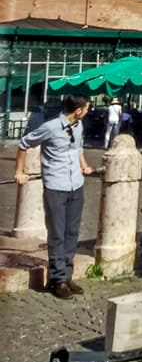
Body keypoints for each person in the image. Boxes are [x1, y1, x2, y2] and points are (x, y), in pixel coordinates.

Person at [14, 93, 93, 300]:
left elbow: (78, 148)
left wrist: (83, 165)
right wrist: (19, 172)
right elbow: (24, 143)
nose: (87, 111)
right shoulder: (50, 127)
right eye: (86, 108)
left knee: (72, 232)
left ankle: (67, 276)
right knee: (57, 233)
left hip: (76, 185)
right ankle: (57, 280)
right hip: (55, 186)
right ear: (78, 110)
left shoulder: (78, 126)